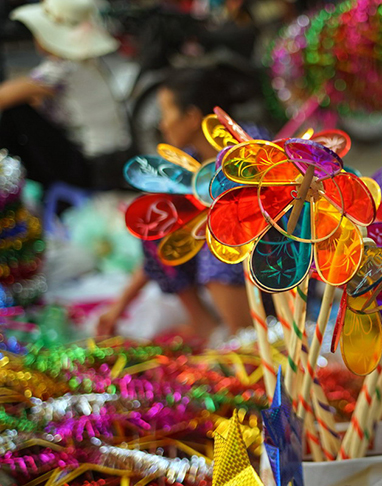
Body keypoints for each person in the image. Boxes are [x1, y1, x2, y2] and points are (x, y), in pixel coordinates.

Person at [97, 67, 267, 342]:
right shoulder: (189, 161)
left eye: (166, 113)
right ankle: (205, 325)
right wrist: (119, 306)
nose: (162, 124)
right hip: (233, 268)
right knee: (158, 219)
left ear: (191, 117)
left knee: (219, 249)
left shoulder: (248, 147)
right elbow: (162, 237)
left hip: (273, 265)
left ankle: (245, 339)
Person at [0, 0, 131, 190]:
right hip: (112, 157)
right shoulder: (85, 61)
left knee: (16, 110)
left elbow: (5, 96)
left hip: (93, 165)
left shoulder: (63, 67)